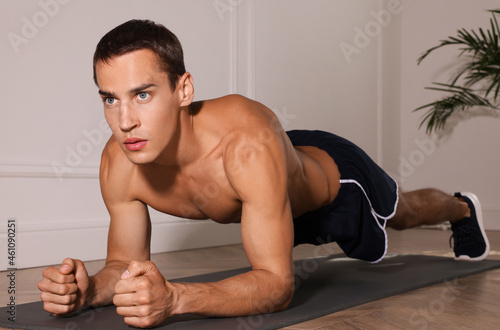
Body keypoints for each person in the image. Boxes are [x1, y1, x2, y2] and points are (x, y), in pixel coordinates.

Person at [37, 19, 490, 328]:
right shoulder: (119, 161)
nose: (125, 120)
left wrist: (176, 298)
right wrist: (90, 289)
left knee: (405, 211)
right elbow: (124, 265)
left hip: (333, 185)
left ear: (183, 89)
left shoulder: (245, 144)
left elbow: (276, 284)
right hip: (269, 186)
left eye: (142, 94)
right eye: (110, 99)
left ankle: (461, 207)